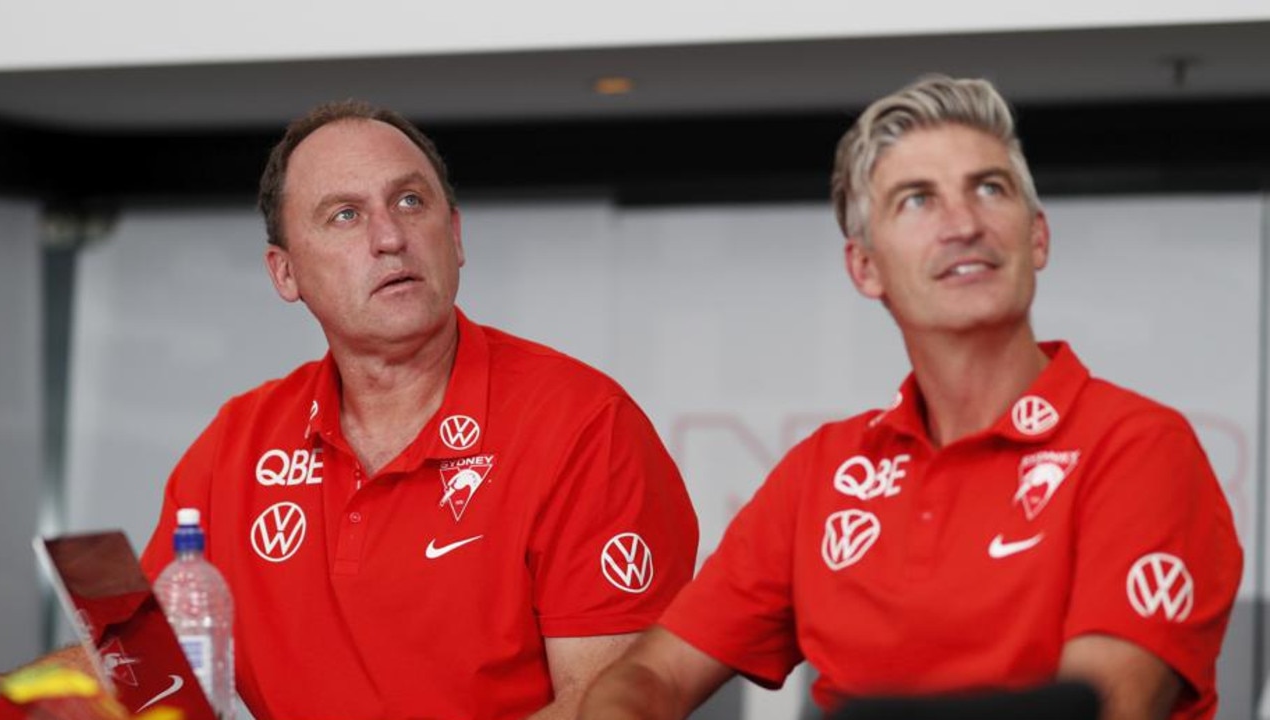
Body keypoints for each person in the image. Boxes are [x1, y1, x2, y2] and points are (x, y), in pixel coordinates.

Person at [577, 76, 1242, 720]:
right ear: (865, 267)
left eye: (990, 188)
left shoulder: (1137, 444)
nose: (963, 225)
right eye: (917, 200)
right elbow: (652, 674)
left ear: (1036, 236)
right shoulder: (823, 472)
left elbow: (1103, 709)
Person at [133, 100, 699, 720]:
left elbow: (611, 708)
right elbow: (143, 672)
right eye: (344, 215)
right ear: (285, 272)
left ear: (454, 237)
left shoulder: (586, 424)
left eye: (409, 201)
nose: (389, 237)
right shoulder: (237, 442)